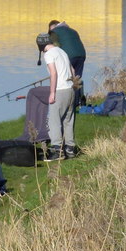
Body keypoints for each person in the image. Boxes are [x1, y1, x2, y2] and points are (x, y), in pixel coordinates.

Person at [36, 33, 77, 161]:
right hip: (70, 89)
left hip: (59, 91)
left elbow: (53, 73)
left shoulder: (48, 54)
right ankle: (70, 149)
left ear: (40, 46)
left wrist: (52, 93)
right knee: (68, 120)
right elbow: (73, 71)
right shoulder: (61, 51)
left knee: (54, 121)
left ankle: (57, 151)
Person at [48, 19, 86, 106]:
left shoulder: (54, 32)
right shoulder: (73, 31)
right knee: (76, 79)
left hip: (69, 56)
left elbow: (56, 47)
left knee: (67, 80)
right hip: (81, 55)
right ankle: (77, 103)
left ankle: (69, 104)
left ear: (53, 27)